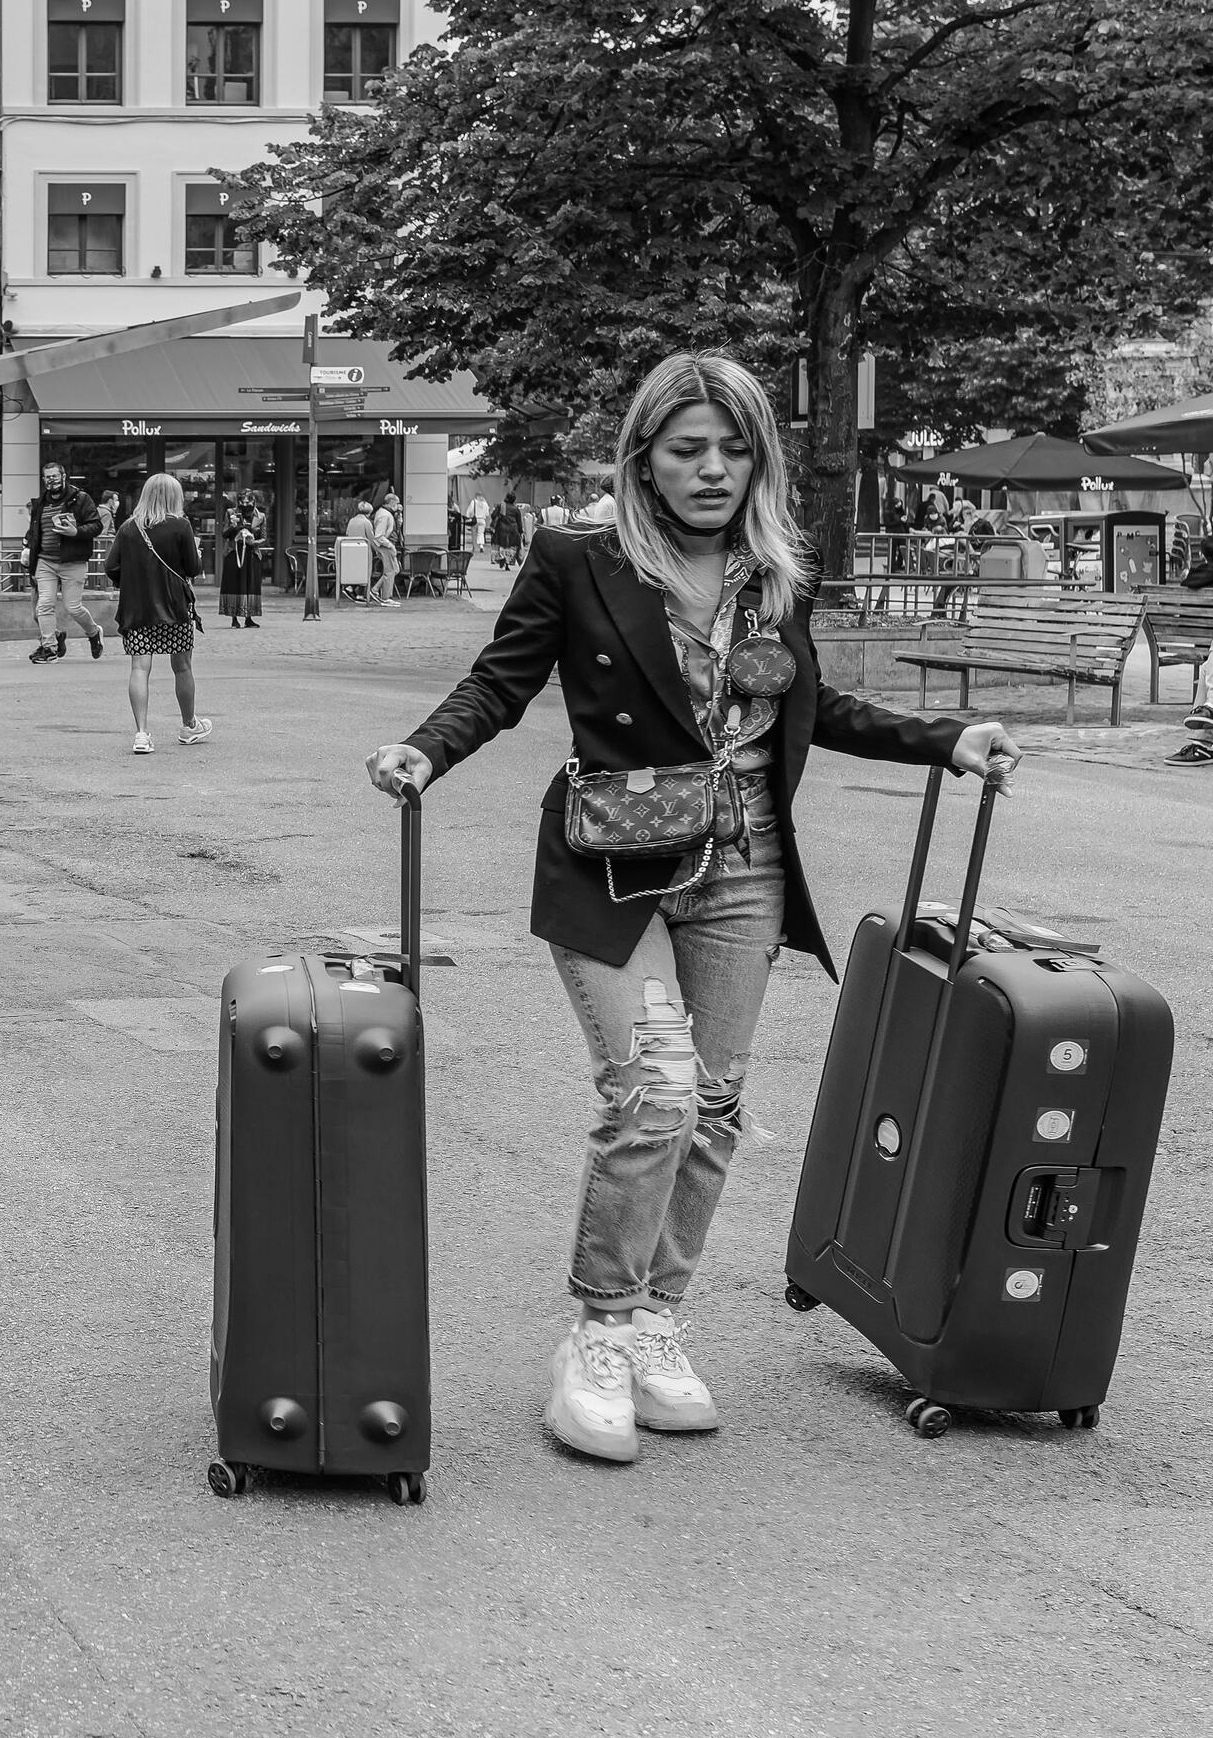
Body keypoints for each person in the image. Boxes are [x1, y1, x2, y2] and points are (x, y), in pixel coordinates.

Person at [364, 350, 1020, 1466]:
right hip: (612, 867)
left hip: (746, 866)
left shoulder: (774, 572)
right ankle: (597, 1333)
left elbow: (810, 704)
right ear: (643, 460)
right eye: (685, 450)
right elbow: (499, 681)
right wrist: (423, 750)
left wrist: (943, 740)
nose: (711, 469)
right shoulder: (578, 559)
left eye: (731, 448)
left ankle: (656, 1321)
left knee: (711, 1105)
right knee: (654, 1090)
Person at [104, 471, 209, 754]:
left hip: (137, 608)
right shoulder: (181, 526)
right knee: (182, 666)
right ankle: (189, 725)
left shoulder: (128, 528)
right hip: (175, 607)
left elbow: (110, 567)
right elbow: (193, 567)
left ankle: (141, 733)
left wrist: (133, 581)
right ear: (175, 497)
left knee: (139, 668)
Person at [1163, 534, 1213, 767]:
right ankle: (1208, 729)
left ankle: (1205, 736)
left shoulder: (1189, 581)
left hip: (1209, 648)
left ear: (1202, 556)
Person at [23, 460, 105, 666]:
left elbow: (96, 526)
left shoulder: (80, 499)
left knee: (73, 607)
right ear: (43, 480)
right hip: (45, 561)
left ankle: (94, 632)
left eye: (54, 476)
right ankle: (49, 648)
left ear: (63, 476)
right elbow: (35, 534)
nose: (51, 480)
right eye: (47, 477)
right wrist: (31, 562)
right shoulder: (40, 502)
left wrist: (76, 532)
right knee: (44, 605)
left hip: (73, 561)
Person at [220, 490, 267, 628]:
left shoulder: (261, 516)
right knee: (234, 584)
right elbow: (224, 533)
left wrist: (254, 542)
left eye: (248, 501)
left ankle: (249, 617)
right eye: (242, 501)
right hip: (234, 553)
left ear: (253, 502)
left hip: (251, 554)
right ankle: (234, 618)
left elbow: (264, 537)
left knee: (250, 585)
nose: (245, 504)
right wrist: (235, 528)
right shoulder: (230, 513)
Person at [373, 492, 402, 606]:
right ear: (391, 503)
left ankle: (375, 590)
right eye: (397, 503)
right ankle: (385, 597)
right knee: (390, 571)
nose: (398, 506)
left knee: (395, 569)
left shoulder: (386, 513)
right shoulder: (385, 515)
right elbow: (379, 535)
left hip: (387, 544)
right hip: (386, 545)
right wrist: (390, 545)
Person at [490, 493, 524, 570]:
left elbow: (493, 516)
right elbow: (519, 522)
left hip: (501, 529)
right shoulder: (516, 509)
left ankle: (502, 558)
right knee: (510, 546)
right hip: (513, 530)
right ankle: (507, 562)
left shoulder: (501, 506)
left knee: (502, 545)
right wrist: (521, 531)